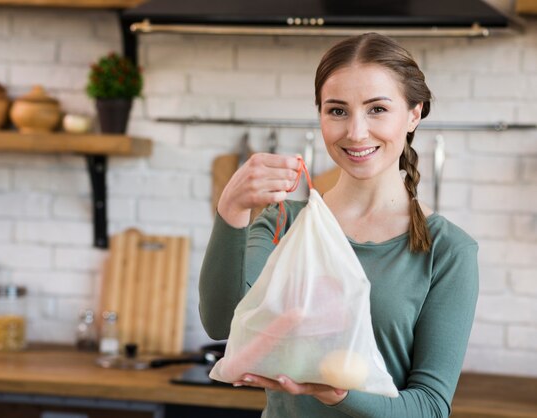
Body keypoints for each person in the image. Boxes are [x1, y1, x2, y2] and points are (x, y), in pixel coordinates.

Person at [199, 32, 479, 418]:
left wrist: (338, 394)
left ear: (414, 114)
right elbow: (220, 323)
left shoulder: (447, 250)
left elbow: (430, 408)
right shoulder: (284, 223)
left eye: (377, 109)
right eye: (337, 111)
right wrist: (231, 210)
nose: (356, 132)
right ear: (320, 116)